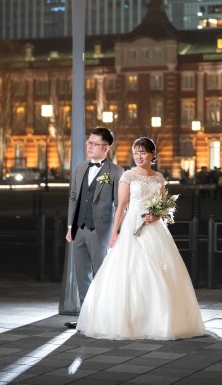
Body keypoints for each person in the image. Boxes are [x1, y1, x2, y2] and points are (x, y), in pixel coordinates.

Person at [77, 137, 206, 340]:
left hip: (155, 228)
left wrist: (156, 215)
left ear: (152, 155)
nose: (138, 156)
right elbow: (120, 206)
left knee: (161, 270)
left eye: (143, 152)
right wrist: (115, 232)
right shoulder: (128, 176)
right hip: (132, 227)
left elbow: (164, 204)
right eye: (135, 152)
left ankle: (161, 320)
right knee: (131, 270)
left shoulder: (158, 177)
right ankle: (129, 320)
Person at [64, 127, 125, 329]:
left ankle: (104, 318)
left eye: (94, 143)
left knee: (102, 275)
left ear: (106, 148)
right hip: (78, 229)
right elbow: (74, 197)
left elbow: (120, 204)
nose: (89, 146)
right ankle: (85, 318)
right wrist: (70, 226)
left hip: (101, 230)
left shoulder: (116, 171)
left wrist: (115, 232)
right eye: (88, 142)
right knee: (82, 275)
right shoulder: (81, 167)